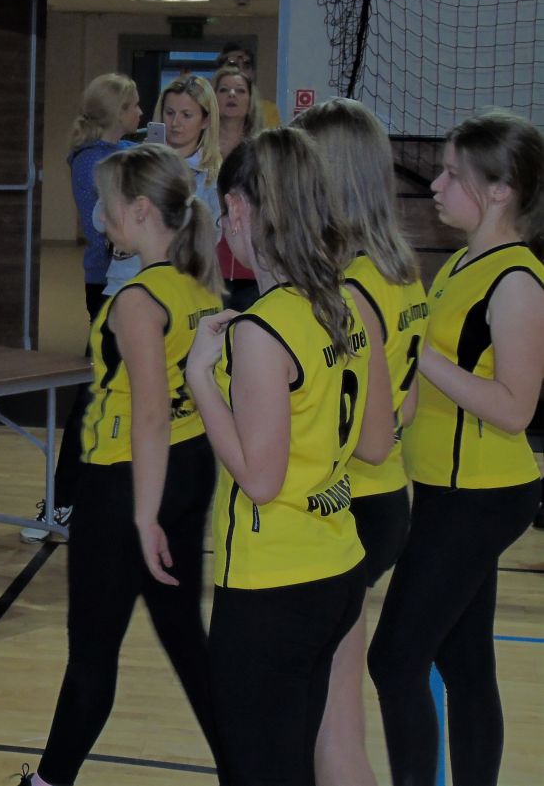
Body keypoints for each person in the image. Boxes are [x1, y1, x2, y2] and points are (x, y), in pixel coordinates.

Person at [185, 128, 394, 786]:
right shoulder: (346, 303)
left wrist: (200, 380)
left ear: (239, 208)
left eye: (224, 211)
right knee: (303, 761)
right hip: (338, 567)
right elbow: (376, 442)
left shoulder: (264, 328)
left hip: (272, 589)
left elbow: (260, 478)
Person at [18, 144, 225, 786]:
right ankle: (248, 769)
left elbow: (151, 414)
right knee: (186, 639)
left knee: (93, 651)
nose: (97, 217)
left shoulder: (140, 299)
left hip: (128, 482)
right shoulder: (197, 284)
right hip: (189, 468)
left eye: (105, 206)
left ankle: (48, 781)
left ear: (139, 211)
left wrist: (142, 516)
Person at [367, 111, 544, 786]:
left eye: (451, 174)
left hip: (482, 496)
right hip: (447, 487)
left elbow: (514, 408)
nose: (435, 186)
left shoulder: (518, 281)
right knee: (466, 664)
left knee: (394, 658)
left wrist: (423, 356)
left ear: (499, 190)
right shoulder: (465, 262)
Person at [294, 98, 427, 786]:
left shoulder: (352, 291)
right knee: (333, 715)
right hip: (385, 501)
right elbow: (406, 402)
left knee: (328, 728)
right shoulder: (399, 271)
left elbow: (369, 438)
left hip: (354, 507)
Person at [20, 73, 142, 542]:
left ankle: (106, 496)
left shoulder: (122, 153)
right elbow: (107, 234)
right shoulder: (93, 162)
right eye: (134, 106)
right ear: (117, 113)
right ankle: (63, 500)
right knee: (97, 392)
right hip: (108, 288)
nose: (142, 113)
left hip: (137, 287)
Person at [105, 75, 222, 297]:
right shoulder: (133, 159)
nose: (175, 123)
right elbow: (100, 218)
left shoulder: (213, 176)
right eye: (169, 113)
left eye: (186, 115)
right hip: (125, 281)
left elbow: (213, 238)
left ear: (206, 121)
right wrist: (140, 169)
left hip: (183, 286)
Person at [211, 65, 261, 311]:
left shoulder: (263, 150)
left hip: (252, 265)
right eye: (224, 90)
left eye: (240, 90)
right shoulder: (198, 147)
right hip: (209, 266)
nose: (232, 95)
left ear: (250, 100)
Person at [215, 43, 280, 129]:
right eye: (232, 65)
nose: (240, 70)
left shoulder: (268, 111)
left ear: (254, 73)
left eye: (246, 66)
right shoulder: (205, 109)